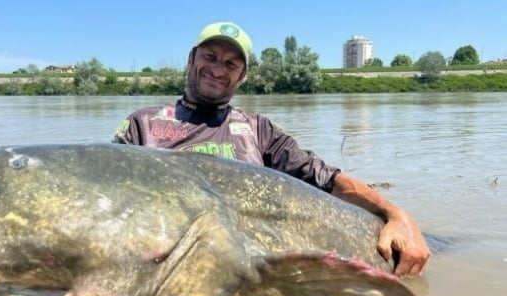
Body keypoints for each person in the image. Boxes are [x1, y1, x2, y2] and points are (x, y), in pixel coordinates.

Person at [113, 22, 430, 276]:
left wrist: (395, 213)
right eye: (210, 57)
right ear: (191, 58)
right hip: (163, 268)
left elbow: (326, 180)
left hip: (245, 270)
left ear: (243, 76)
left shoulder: (259, 130)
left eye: (231, 63)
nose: (218, 69)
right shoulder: (142, 124)